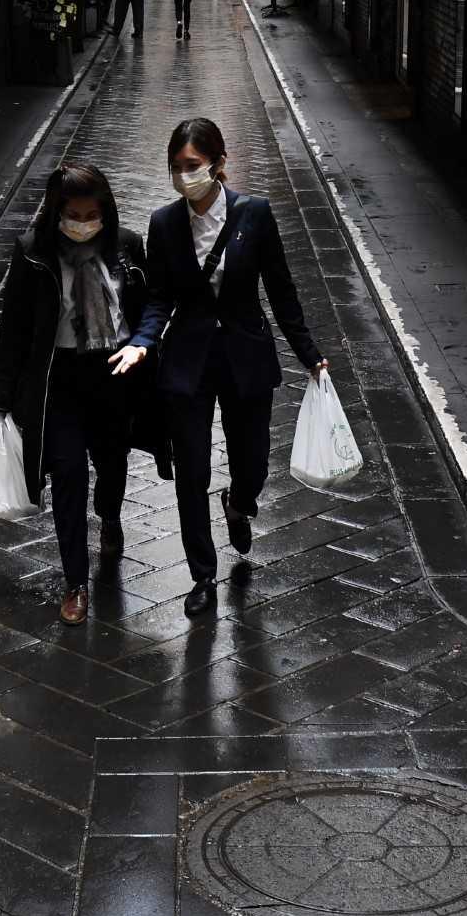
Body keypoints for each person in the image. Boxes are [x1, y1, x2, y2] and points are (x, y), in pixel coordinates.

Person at [116, 118, 327, 617]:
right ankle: (202, 575)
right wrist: (143, 342)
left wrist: (308, 352)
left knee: (252, 461)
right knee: (191, 471)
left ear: (218, 164)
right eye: (176, 168)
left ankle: (239, 502)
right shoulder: (164, 223)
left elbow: (280, 288)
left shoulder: (255, 215)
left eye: (192, 166)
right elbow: (160, 297)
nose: (183, 177)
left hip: (245, 355)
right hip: (188, 361)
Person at [0, 165, 169, 626]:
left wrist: (142, 348)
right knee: (68, 473)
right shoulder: (33, 253)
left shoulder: (126, 245)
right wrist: (3, 398)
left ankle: (109, 517)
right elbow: (15, 327)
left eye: (92, 213)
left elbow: (148, 305)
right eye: (74, 213)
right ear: (56, 212)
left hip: (113, 372)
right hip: (60, 379)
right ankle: (76, 581)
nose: (83, 222)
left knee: (112, 463)